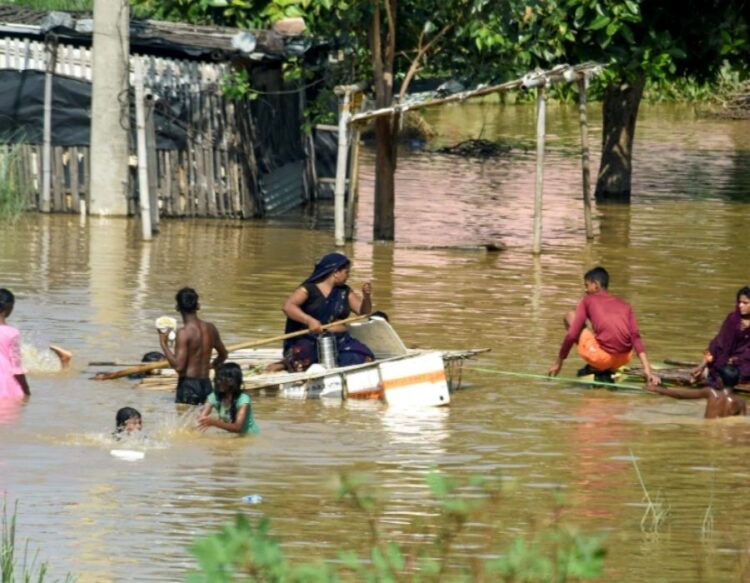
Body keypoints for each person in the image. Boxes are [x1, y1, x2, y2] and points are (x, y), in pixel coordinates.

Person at [548, 267, 661, 385]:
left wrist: (558, 363)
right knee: (596, 333)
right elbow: (635, 336)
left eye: (587, 285)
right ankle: (609, 367)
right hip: (624, 358)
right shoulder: (625, 305)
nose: (585, 290)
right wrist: (647, 370)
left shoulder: (587, 300)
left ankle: (597, 367)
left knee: (570, 316)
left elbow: (572, 335)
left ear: (596, 285)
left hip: (601, 359)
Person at [281, 252, 374, 372]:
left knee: (363, 356)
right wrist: (309, 320)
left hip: (339, 340)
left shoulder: (344, 291)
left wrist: (366, 297)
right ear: (335, 273)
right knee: (302, 359)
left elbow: (363, 313)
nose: (348, 276)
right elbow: (288, 307)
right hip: (309, 339)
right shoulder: (309, 289)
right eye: (346, 272)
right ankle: (281, 365)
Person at [159, 287, 228, 405]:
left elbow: (179, 367)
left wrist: (163, 344)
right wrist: (212, 365)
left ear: (177, 307)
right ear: (198, 306)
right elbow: (223, 354)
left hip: (188, 386)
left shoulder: (184, 333)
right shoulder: (211, 328)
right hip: (206, 385)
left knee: (184, 422)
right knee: (203, 422)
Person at [691, 286, 750, 387]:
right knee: (725, 371)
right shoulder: (733, 319)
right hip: (728, 360)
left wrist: (740, 358)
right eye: (739, 302)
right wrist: (701, 365)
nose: (740, 305)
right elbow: (718, 343)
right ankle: (707, 371)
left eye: (745, 303)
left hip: (745, 361)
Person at [646, 364, 746, 419]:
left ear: (720, 380)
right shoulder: (741, 402)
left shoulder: (711, 392)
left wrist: (657, 389)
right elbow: (742, 423)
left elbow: (680, 395)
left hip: (708, 431)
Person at [197, 362, 259, 435]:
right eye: (217, 378)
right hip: (232, 437)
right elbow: (201, 419)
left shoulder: (243, 399)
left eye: (221, 379)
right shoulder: (214, 396)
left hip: (250, 437)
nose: (217, 382)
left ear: (232, 381)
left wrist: (214, 422)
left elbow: (238, 427)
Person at [0, 288, 31, 399]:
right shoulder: (12, 333)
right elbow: (16, 366)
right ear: (9, 307)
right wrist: (26, 389)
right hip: (6, 385)